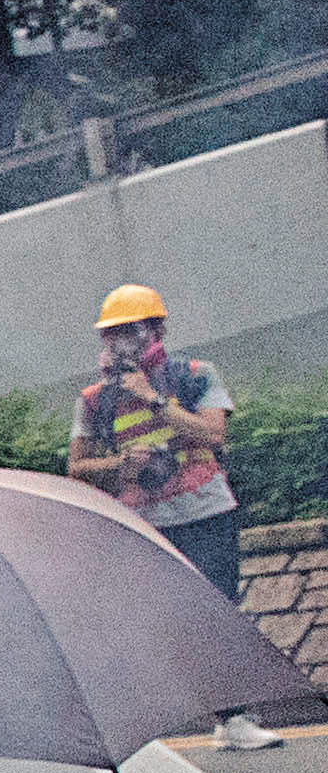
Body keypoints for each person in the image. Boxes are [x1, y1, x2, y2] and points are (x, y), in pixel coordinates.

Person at [72, 286, 266, 744]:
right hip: (146, 521)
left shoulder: (197, 375)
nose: (121, 342)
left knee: (219, 614)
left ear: (157, 329)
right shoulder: (95, 399)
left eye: (131, 329)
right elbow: (77, 467)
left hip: (206, 512)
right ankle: (146, 728)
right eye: (112, 333)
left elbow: (214, 436)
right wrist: (122, 466)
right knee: (157, 623)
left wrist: (155, 400)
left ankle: (232, 720)